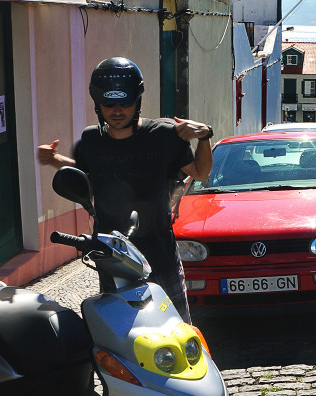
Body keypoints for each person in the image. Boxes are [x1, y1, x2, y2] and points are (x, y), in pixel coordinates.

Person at [38, 57, 212, 323]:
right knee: (121, 331)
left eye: (125, 102)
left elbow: (200, 172)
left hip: (159, 252)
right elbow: (84, 171)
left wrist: (205, 136)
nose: (117, 110)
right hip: (112, 258)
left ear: (137, 100)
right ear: (97, 104)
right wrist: (54, 161)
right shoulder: (90, 140)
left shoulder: (163, 135)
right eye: (108, 103)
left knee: (177, 326)